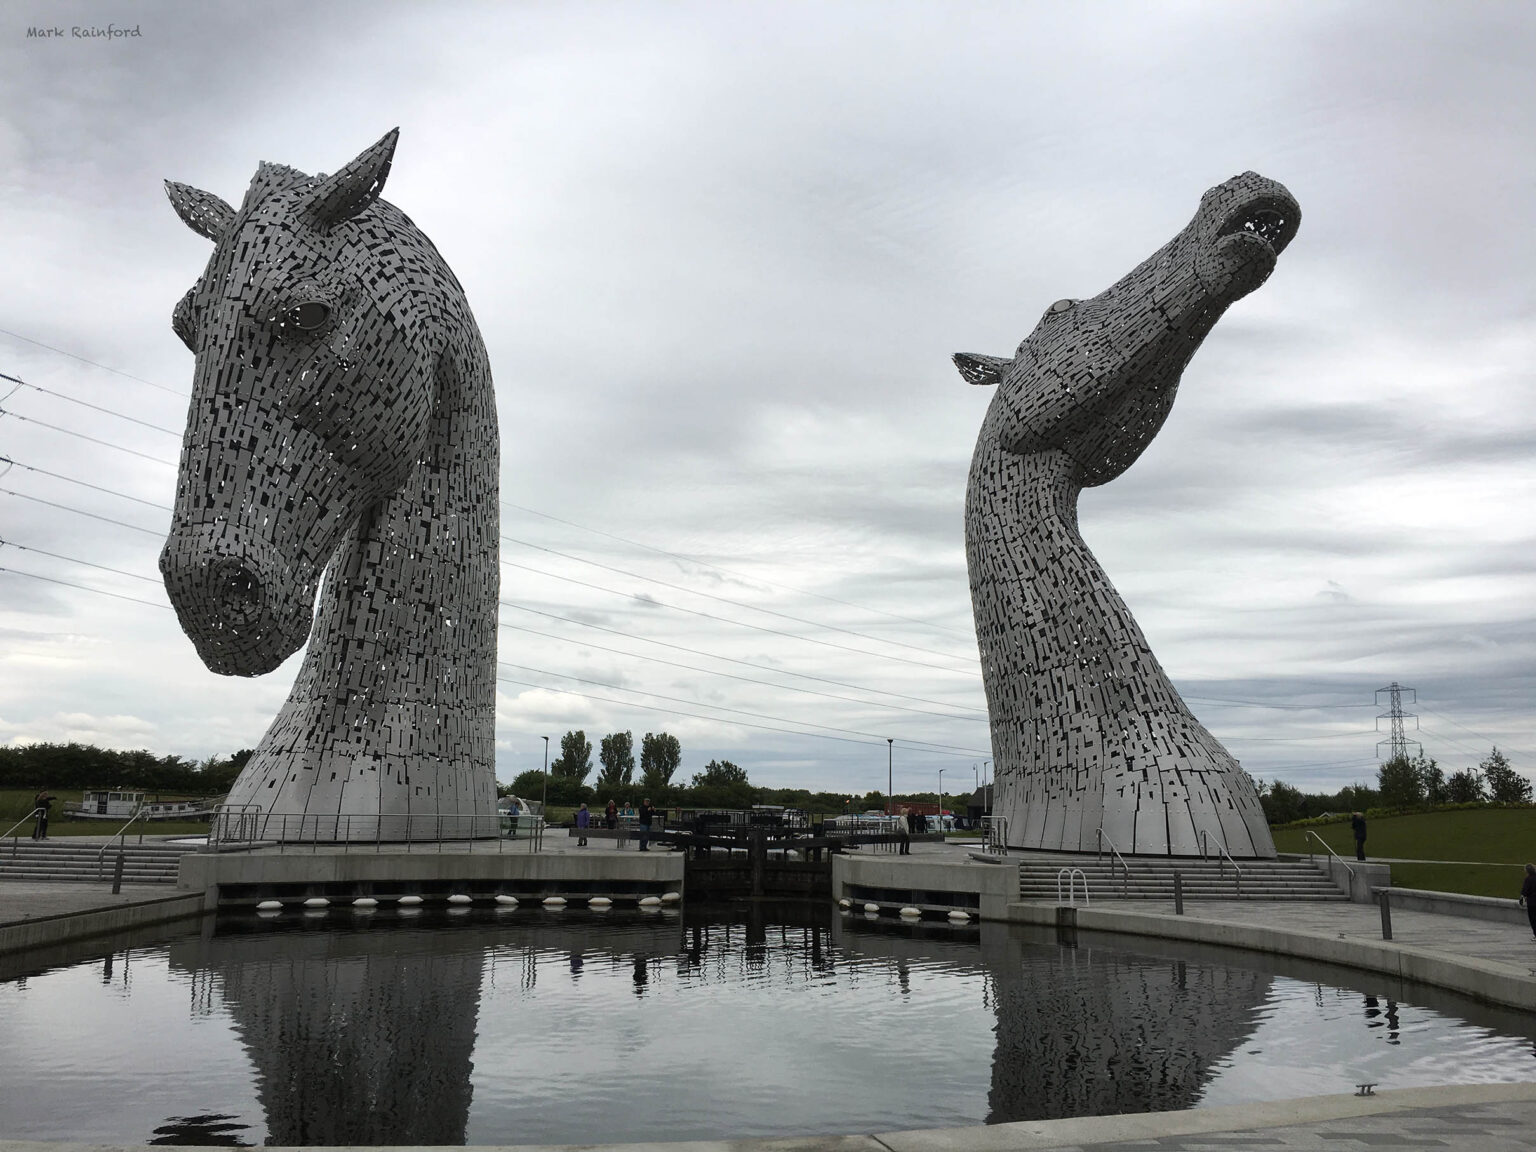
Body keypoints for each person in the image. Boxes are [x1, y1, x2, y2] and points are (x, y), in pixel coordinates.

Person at [1520, 864, 1536, 941]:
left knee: (1533, 919)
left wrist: (1522, 898)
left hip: (1532, 902)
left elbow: (1525, 891)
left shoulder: (1528, 879)